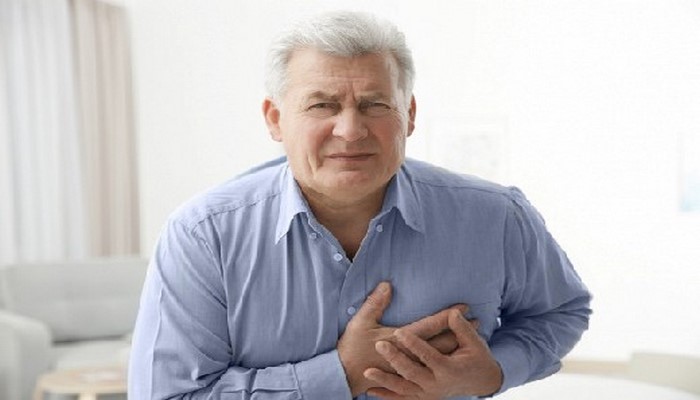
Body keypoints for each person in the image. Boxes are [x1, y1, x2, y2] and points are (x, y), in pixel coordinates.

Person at [128, 10, 591, 400]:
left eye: (374, 105)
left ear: (408, 115)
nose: (350, 131)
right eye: (322, 106)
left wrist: (494, 371)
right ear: (275, 119)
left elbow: (560, 312)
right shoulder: (203, 235)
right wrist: (341, 373)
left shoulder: (496, 217)